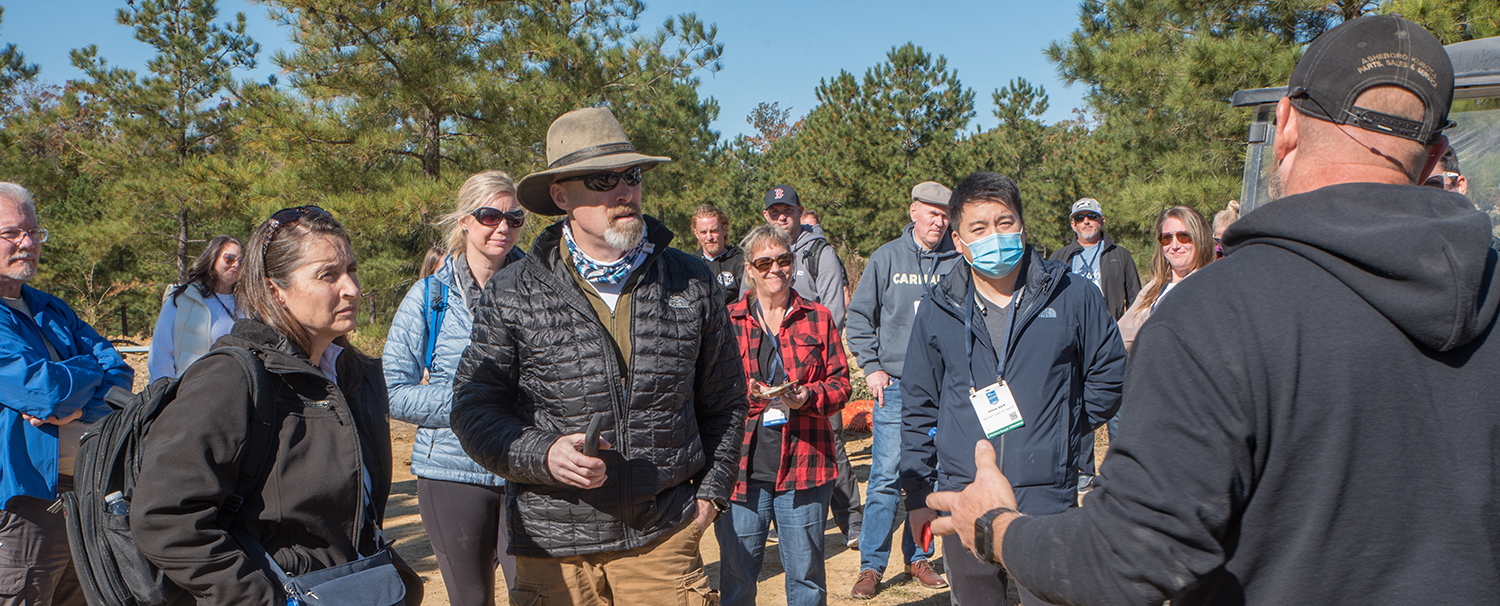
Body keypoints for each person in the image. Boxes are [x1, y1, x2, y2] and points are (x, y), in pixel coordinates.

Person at [925, 16, 1500, 605]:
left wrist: (994, 527)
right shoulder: (1490, 290)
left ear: (1285, 124)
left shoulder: (1218, 313)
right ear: (1432, 157)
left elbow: (1128, 562)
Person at [450, 107, 746, 606]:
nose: (624, 191)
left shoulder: (692, 280)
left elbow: (726, 402)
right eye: (603, 179)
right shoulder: (512, 291)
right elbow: (473, 409)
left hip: (663, 540)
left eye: (631, 176)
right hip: (553, 550)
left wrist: (711, 497)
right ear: (561, 195)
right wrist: (542, 453)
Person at [133, 205, 419, 605]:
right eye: (328, 275)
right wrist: (263, 599)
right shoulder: (231, 379)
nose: (351, 288)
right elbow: (164, 518)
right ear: (274, 290)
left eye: (351, 270)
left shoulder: (357, 377)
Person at [899, 171, 1125, 605]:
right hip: (965, 496)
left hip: (1046, 497)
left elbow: (1109, 372)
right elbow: (918, 405)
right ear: (959, 240)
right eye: (978, 228)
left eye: (1004, 223)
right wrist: (917, 497)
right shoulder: (937, 308)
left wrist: (1062, 426)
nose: (994, 236)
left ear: (1022, 225)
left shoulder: (1073, 295)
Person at [384, 170, 526, 606]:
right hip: (450, 475)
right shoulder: (430, 296)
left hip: (527, 468)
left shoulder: (539, 288)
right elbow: (391, 388)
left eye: (515, 217)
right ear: (465, 221)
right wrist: (472, 404)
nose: (503, 227)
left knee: (535, 595)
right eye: (490, 215)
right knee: (472, 600)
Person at [0, 182, 134, 606]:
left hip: (82, 498)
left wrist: (75, 404)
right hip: (23, 505)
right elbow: (46, 391)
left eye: (33, 232)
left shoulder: (51, 308)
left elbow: (119, 373)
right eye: (11, 233)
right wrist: (78, 387)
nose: (27, 243)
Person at [716, 225, 850, 606]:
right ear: (750, 269)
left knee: (806, 576)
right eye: (765, 262)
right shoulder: (729, 320)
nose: (776, 269)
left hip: (805, 467)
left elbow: (841, 385)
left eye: (784, 260)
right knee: (738, 576)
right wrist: (748, 395)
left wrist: (808, 395)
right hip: (742, 470)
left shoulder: (818, 317)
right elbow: (709, 391)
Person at [845, 181, 962, 598]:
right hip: (895, 389)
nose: (940, 221)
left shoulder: (958, 260)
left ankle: (918, 559)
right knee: (885, 478)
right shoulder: (887, 257)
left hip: (946, 391)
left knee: (931, 477)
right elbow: (858, 318)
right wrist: (872, 368)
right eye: (933, 213)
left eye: (946, 215)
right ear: (913, 211)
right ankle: (871, 566)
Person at [762, 184, 861, 544]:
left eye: (787, 210)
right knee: (774, 442)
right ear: (766, 216)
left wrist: (807, 360)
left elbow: (834, 312)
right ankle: (778, 520)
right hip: (772, 378)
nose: (781, 216)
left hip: (815, 374)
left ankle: (852, 520)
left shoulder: (819, 253)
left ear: (800, 212)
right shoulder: (762, 253)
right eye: (774, 212)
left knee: (829, 443)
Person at [1117, 205, 1215, 351]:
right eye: (1167, 238)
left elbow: (1167, 336)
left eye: (1184, 237)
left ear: (1200, 238)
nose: (1174, 245)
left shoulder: (1205, 286)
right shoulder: (1154, 286)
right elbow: (1116, 331)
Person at [146, 235, 242, 381]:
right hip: (192, 394)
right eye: (229, 258)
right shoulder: (182, 300)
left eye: (241, 262)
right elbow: (161, 355)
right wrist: (164, 397)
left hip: (236, 393)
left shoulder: (248, 304)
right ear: (212, 258)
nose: (235, 265)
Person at [1048, 198, 1141, 320]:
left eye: (1092, 216)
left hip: (1110, 331)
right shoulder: (1058, 258)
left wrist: (1128, 331)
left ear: (1102, 221)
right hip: (1071, 332)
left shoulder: (1120, 255)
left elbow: (1136, 300)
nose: (1086, 222)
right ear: (1073, 225)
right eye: (1080, 218)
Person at [691, 205, 744, 306]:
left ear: (724, 230)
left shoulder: (740, 263)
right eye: (703, 232)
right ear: (696, 234)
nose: (709, 237)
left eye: (713, 231)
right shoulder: (689, 265)